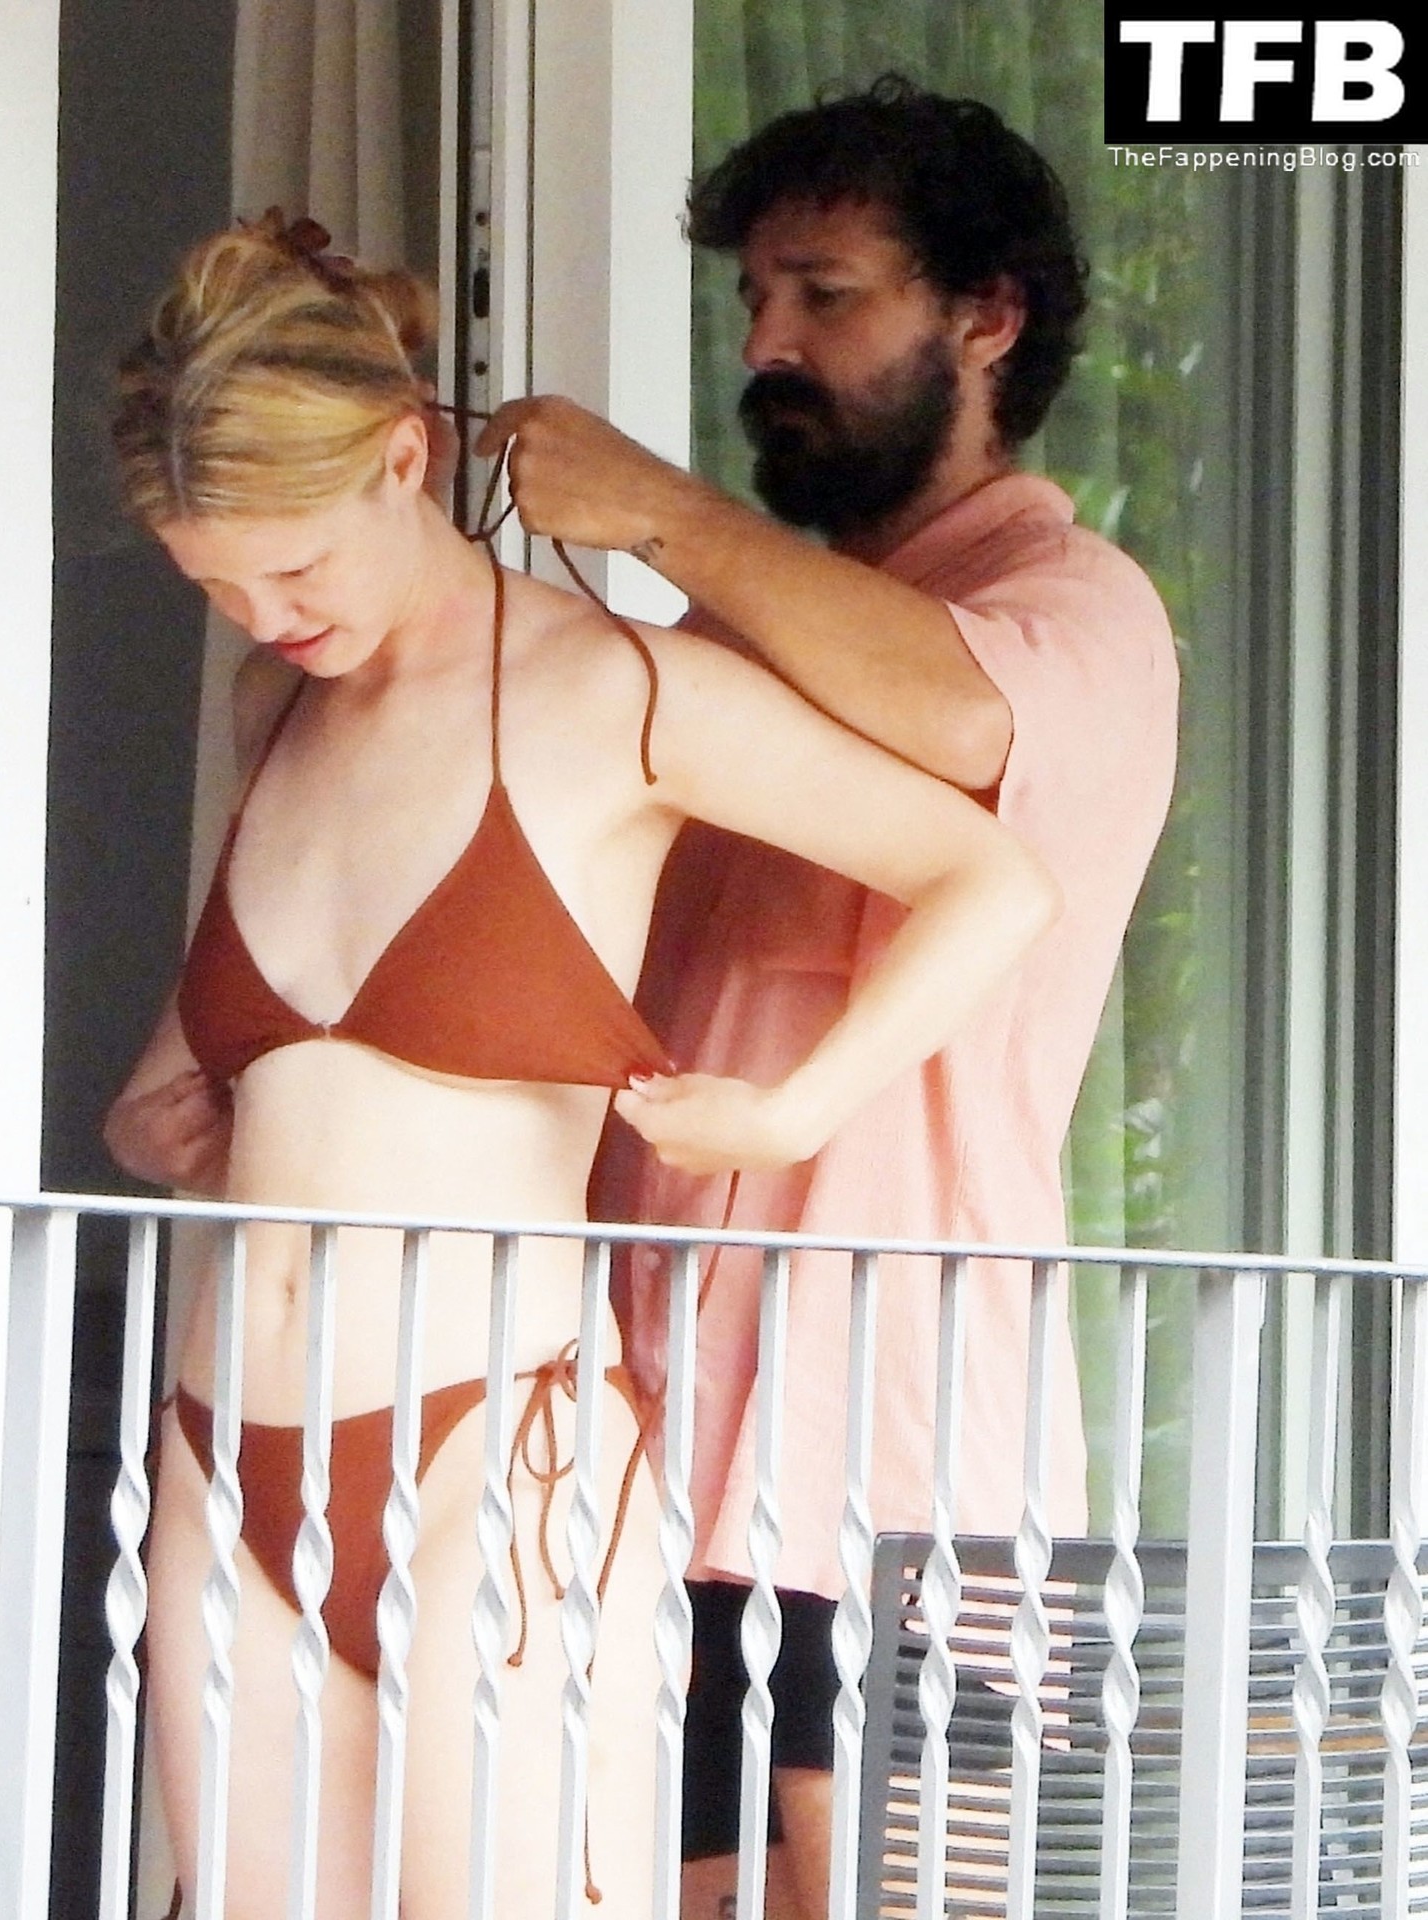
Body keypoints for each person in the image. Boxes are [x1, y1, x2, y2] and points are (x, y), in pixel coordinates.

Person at [101, 208, 1058, 1920]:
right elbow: (213, 1061)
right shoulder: (277, 708)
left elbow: (989, 878)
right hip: (220, 1445)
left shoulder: (616, 691)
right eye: (216, 583)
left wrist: (793, 1108)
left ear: (404, 461)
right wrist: (164, 1108)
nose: (263, 613)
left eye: (295, 570)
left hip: (492, 1444)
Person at [477, 73, 1179, 1920]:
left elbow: (951, 712)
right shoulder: (733, 634)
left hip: (895, 1435)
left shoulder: (1076, 599)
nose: (763, 345)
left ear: (986, 316)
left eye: (824, 293)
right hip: (638, 1425)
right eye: (750, 300)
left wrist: (652, 509)